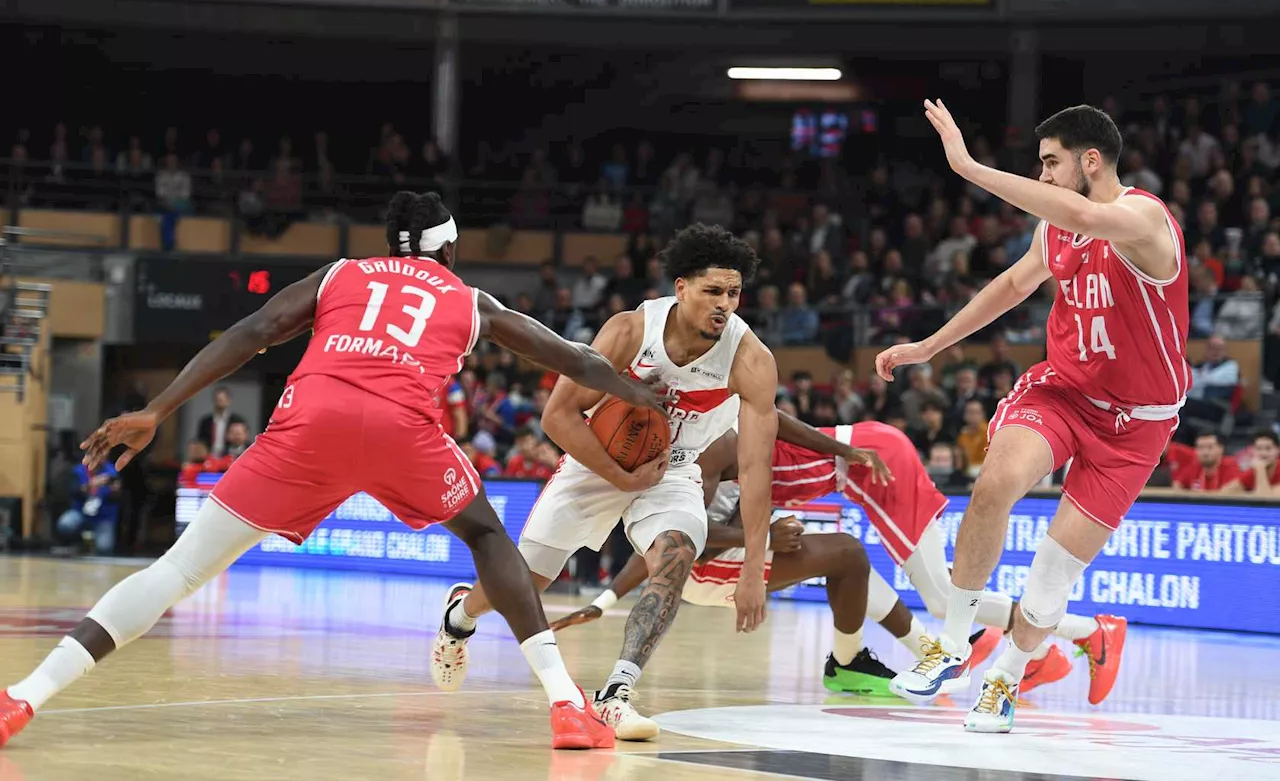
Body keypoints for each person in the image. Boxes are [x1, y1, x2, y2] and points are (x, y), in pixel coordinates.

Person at [0, 191, 665, 751]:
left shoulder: (340, 273)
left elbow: (253, 329)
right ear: (450, 251)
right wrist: (640, 394)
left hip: (308, 420)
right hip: (400, 431)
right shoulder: (470, 300)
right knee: (488, 536)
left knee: (174, 571)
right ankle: (564, 705)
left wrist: (157, 407)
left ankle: (23, 696)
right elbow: (574, 359)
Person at [877, 102, 1188, 733]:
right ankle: (953, 640)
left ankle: (1006, 679)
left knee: (1050, 575)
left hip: (1138, 423)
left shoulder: (1142, 216)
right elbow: (1013, 285)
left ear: (1090, 160)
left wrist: (966, 166)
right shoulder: (1058, 230)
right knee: (994, 483)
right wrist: (928, 346)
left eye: (1051, 162)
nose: (1043, 176)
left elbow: (1083, 212)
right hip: (1064, 392)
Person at [431, 224, 779, 741]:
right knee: (525, 585)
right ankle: (460, 617)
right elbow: (558, 417)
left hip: (673, 469)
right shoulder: (629, 331)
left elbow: (754, 468)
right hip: (596, 461)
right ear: (681, 287)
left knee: (675, 556)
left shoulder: (751, 359)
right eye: (712, 291)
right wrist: (620, 474)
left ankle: (616, 694)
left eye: (732, 293)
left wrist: (754, 567)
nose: (724, 304)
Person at [550, 413, 905, 696]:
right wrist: (763, 538)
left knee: (848, 559)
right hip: (702, 570)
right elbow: (682, 545)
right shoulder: (715, 446)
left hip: (725, 551)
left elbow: (785, 423)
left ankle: (849, 662)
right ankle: (848, 664)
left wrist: (844, 450)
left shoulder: (746, 427)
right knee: (849, 552)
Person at [1172, 432, 1240, 492]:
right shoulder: (1193, 466)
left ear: (1221, 448)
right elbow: (1176, 486)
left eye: (1210, 447)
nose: (1205, 452)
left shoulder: (1230, 466)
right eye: (1200, 448)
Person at [1220, 431, 1279, 496]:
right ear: (1252, 451)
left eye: (1268, 449)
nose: (1263, 453)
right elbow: (1224, 492)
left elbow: (1266, 500)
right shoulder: (1252, 471)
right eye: (1259, 449)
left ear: (1278, 450)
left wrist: (1260, 469)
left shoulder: (1258, 468)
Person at [196, 386, 244, 457]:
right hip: (209, 456)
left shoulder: (236, 420)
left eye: (222, 400)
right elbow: (201, 440)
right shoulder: (205, 421)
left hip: (230, 455)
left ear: (228, 401)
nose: (219, 403)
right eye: (217, 400)